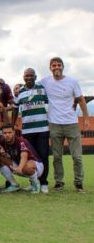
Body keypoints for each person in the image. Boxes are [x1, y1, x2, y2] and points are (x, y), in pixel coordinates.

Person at [40, 57, 89, 192]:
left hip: (71, 123)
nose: (56, 68)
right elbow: (31, 86)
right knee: (57, 157)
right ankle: (59, 183)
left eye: (58, 65)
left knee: (77, 157)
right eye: (53, 65)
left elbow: (81, 99)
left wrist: (85, 118)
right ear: (50, 68)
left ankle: (79, 183)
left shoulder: (72, 81)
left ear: (63, 67)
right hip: (54, 124)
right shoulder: (45, 82)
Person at [12, 68, 49, 193]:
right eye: (26, 75)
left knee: (43, 156)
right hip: (27, 131)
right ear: (23, 77)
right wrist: (12, 124)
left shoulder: (42, 89)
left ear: (35, 76)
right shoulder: (20, 92)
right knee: (30, 158)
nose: (29, 77)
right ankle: (33, 182)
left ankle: (44, 183)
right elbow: (15, 109)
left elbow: (50, 105)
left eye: (31, 75)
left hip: (43, 128)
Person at [0, 124, 43, 193]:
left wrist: (20, 168)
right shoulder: (2, 142)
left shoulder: (21, 141)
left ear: (14, 132)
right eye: (5, 133)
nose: (7, 135)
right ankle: (14, 185)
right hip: (19, 165)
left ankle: (35, 184)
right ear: (2, 134)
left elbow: (24, 156)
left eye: (9, 132)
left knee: (25, 165)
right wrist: (2, 152)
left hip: (36, 165)